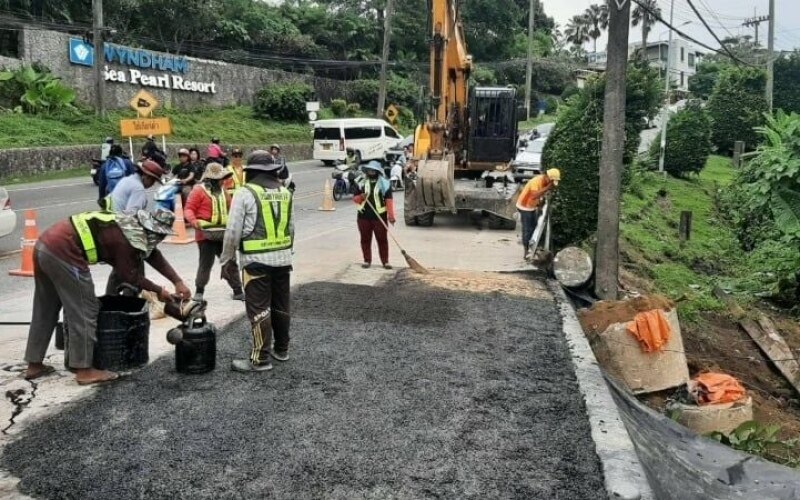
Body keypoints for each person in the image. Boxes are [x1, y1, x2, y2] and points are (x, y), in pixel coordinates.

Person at [23, 209, 191, 385]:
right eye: (160, 235)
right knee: (85, 308)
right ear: (151, 231)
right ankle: (84, 371)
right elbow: (130, 276)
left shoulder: (129, 226)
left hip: (45, 246)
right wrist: (158, 290)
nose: (160, 240)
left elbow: (152, 255)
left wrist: (177, 281)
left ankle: (34, 365)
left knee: (46, 307)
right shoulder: (124, 239)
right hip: (64, 251)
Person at [221, 151, 294, 373]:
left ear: (250, 172)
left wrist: (226, 259)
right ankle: (281, 349)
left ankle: (260, 359)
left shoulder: (245, 193)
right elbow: (291, 228)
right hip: (283, 259)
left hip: (256, 262)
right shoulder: (285, 192)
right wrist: (288, 253)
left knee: (259, 309)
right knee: (281, 305)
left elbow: (232, 231)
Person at [184, 162, 245, 302]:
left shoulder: (223, 191)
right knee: (206, 263)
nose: (223, 180)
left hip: (223, 234)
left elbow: (231, 208)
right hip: (205, 235)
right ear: (211, 179)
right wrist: (194, 222)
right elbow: (188, 209)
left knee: (230, 261)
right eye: (220, 178)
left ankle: (237, 291)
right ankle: (199, 292)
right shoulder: (198, 191)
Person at [353, 161, 395, 269]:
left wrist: (391, 216)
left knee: (382, 240)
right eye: (369, 170)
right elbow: (355, 199)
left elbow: (388, 200)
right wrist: (361, 197)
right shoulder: (360, 182)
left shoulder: (385, 183)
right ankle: (367, 260)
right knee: (365, 239)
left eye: (373, 170)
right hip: (363, 217)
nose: (371, 172)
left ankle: (385, 262)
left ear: (377, 171)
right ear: (366, 171)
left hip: (379, 217)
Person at [516, 168, 560, 259]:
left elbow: (541, 196)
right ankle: (525, 252)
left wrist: (541, 203)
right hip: (524, 206)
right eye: (551, 181)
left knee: (534, 227)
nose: (551, 184)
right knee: (527, 229)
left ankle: (531, 249)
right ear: (548, 177)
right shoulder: (535, 181)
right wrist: (547, 188)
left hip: (532, 206)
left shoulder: (545, 182)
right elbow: (534, 195)